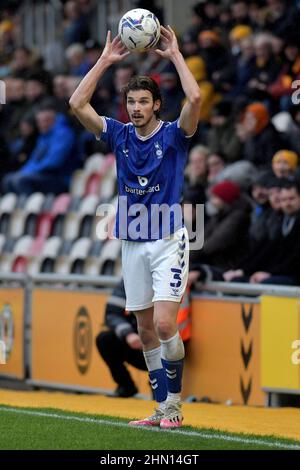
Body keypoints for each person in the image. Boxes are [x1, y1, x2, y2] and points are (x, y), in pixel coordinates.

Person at [69, 27, 200, 428]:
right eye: (132, 101)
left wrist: (176, 54)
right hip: (132, 240)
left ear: (157, 105)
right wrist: (106, 61)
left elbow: (194, 98)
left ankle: (174, 405)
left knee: (164, 325)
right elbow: (77, 102)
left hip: (167, 238)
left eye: (144, 101)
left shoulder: (176, 135)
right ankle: (159, 407)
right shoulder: (119, 134)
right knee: (145, 332)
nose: (137, 107)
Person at [96, 278, 191, 398]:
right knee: (105, 339)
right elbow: (112, 313)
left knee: (167, 340)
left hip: (170, 346)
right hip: (140, 343)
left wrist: (200, 271)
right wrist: (128, 334)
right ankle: (126, 386)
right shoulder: (131, 276)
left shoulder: (173, 276)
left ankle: (161, 390)